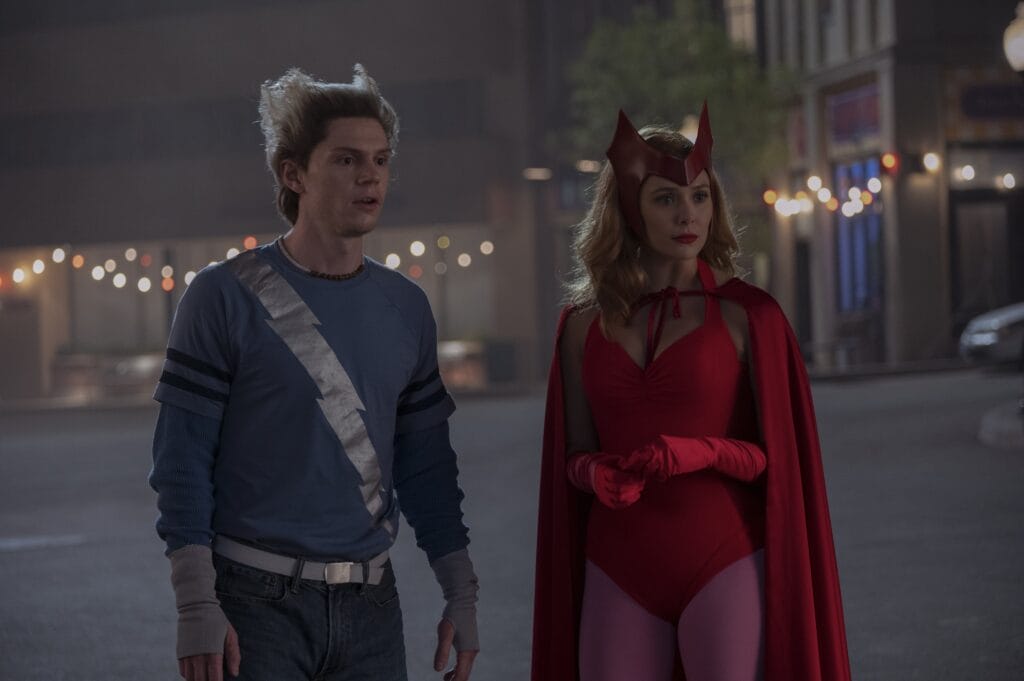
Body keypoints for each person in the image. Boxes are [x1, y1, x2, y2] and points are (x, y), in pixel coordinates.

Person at [149, 65, 479, 681]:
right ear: (293, 173)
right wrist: (195, 603)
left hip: (372, 604)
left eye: (380, 160)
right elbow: (181, 459)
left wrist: (461, 593)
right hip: (254, 605)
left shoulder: (406, 307)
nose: (370, 176)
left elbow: (428, 467)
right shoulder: (222, 295)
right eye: (347, 160)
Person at [531, 105, 851, 681]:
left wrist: (701, 452)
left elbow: (780, 462)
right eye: (665, 199)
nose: (688, 214)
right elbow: (573, 454)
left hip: (723, 559)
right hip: (616, 566)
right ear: (629, 208)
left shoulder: (750, 317)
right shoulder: (581, 326)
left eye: (700, 196)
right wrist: (595, 473)